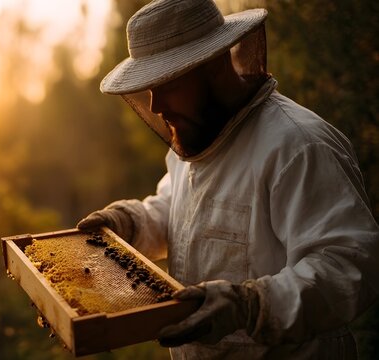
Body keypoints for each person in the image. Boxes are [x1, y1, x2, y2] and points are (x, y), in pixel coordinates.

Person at [77, 0, 379, 358]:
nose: (156, 106)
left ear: (212, 66)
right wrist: (130, 222)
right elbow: (176, 209)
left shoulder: (297, 145)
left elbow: (350, 264)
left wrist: (250, 305)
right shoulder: (194, 137)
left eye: (167, 84)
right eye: (148, 88)